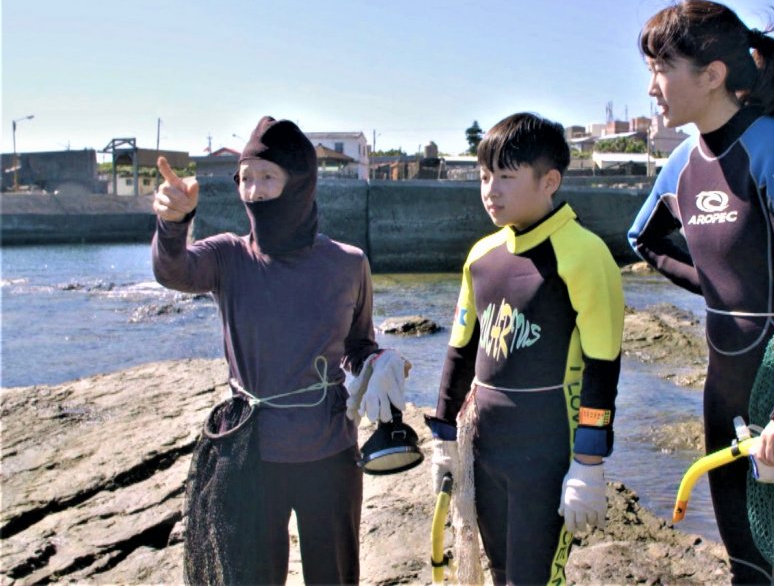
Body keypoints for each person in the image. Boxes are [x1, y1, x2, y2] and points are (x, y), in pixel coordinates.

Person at [628, 0, 774, 584]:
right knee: (749, 567)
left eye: (662, 69)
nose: (652, 87)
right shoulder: (682, 163)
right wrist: (714, 288)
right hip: (725, 389)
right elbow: (643, 238)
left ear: (712, 75)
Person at [152, 116, 407, 585]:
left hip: (329, 450)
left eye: (268, 177)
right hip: (249, 452)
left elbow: (358, 345)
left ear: (300, 182)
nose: (253, 191)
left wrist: (378, 362)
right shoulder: (228, 256)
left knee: (334, 577)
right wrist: (172, 225)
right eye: (245, 178)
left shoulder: (348, 263)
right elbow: (175, 271)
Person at [427, 112, 625, 584]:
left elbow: (603, 366)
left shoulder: (584, 253)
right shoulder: (481, 257)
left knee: (534, 578)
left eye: (506, 177)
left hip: (549, 448)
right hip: (485, 447)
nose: (490, 190)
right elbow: (460, 352)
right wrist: (443, 438)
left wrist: (589, 460)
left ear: (548, 181)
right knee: (500, 572)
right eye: (484, 176)